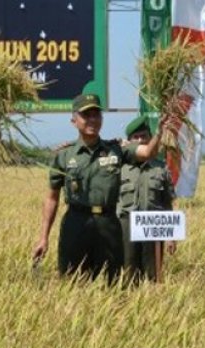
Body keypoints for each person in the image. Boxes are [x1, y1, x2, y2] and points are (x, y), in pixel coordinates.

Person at [32, 94, 165, 282]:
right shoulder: (63, 155)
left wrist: (161, 131)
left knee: (110, 282)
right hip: (76, 223)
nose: (92, 120)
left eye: (97, 114)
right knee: (71, 281)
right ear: (74, 120)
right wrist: (43, 237)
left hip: (108, 224)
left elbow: (148, 152)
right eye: (86, 115)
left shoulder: (117, 149)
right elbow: (52, 198)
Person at [117, 115, 176, 282]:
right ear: (129, 141)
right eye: (136, 137)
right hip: (126, 225)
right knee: (127, 274)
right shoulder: (120, 167)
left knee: (154, 274)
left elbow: (167, 203)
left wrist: (170, 235)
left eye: (144, 136)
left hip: (153, 224)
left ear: (150, 138)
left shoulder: (161, 168)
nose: (140, 140)